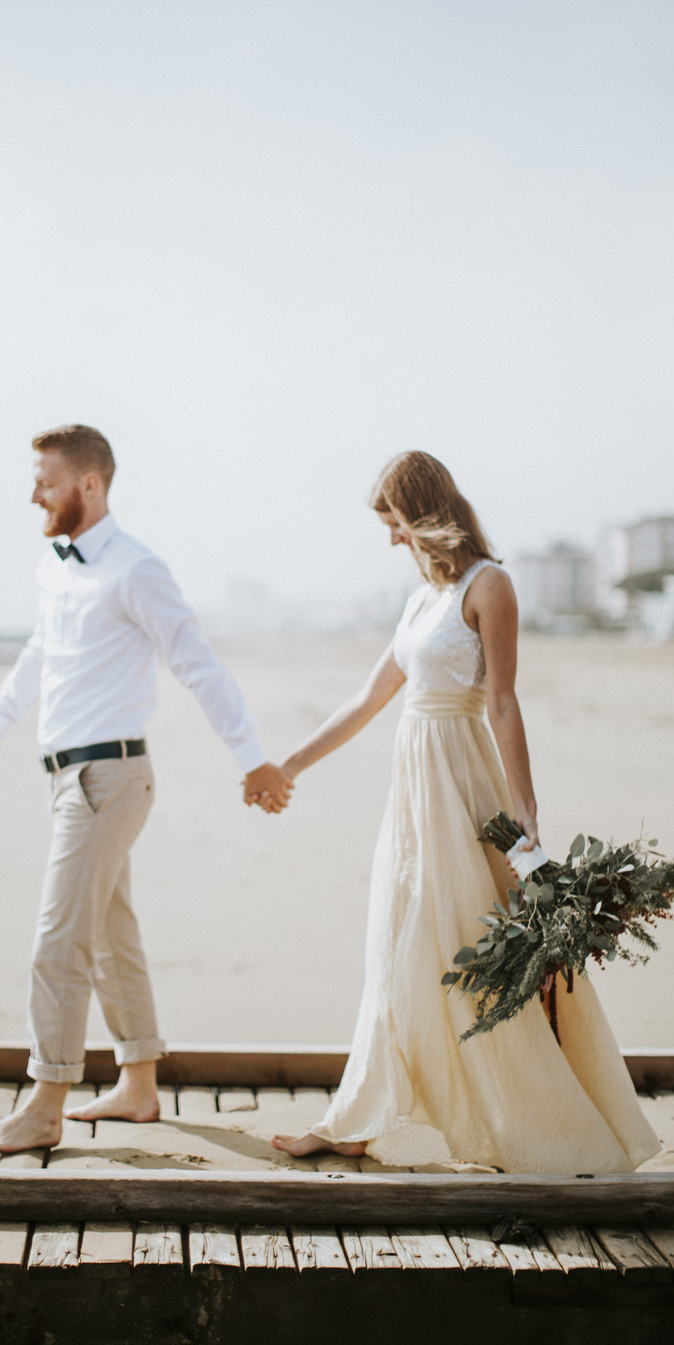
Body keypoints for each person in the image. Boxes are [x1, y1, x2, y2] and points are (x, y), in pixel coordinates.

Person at [271, 451, 659, 1173]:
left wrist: (526, 821)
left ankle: (524, 1123)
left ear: (421, 514)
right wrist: (288, 765)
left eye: (392, 521)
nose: (389, 539)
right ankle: (360, 1115)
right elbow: (367, 699)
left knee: (472, 948)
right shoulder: (419, 600)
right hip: (411, 790)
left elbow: (502, 702)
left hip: (462, 780)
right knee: (395, 942)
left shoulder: (490, 585)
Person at [0, 424, 292, 1153]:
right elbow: (37, 653)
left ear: (88, 483)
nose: (32, 495)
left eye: (44, 482)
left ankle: (46, 1105)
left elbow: (197, 663)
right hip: (65, 776)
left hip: (111, 778)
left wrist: (253, 758)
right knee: (110, 937)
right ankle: (138, 1085)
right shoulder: (57, 566)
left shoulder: (137, 569)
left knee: (58, 940)